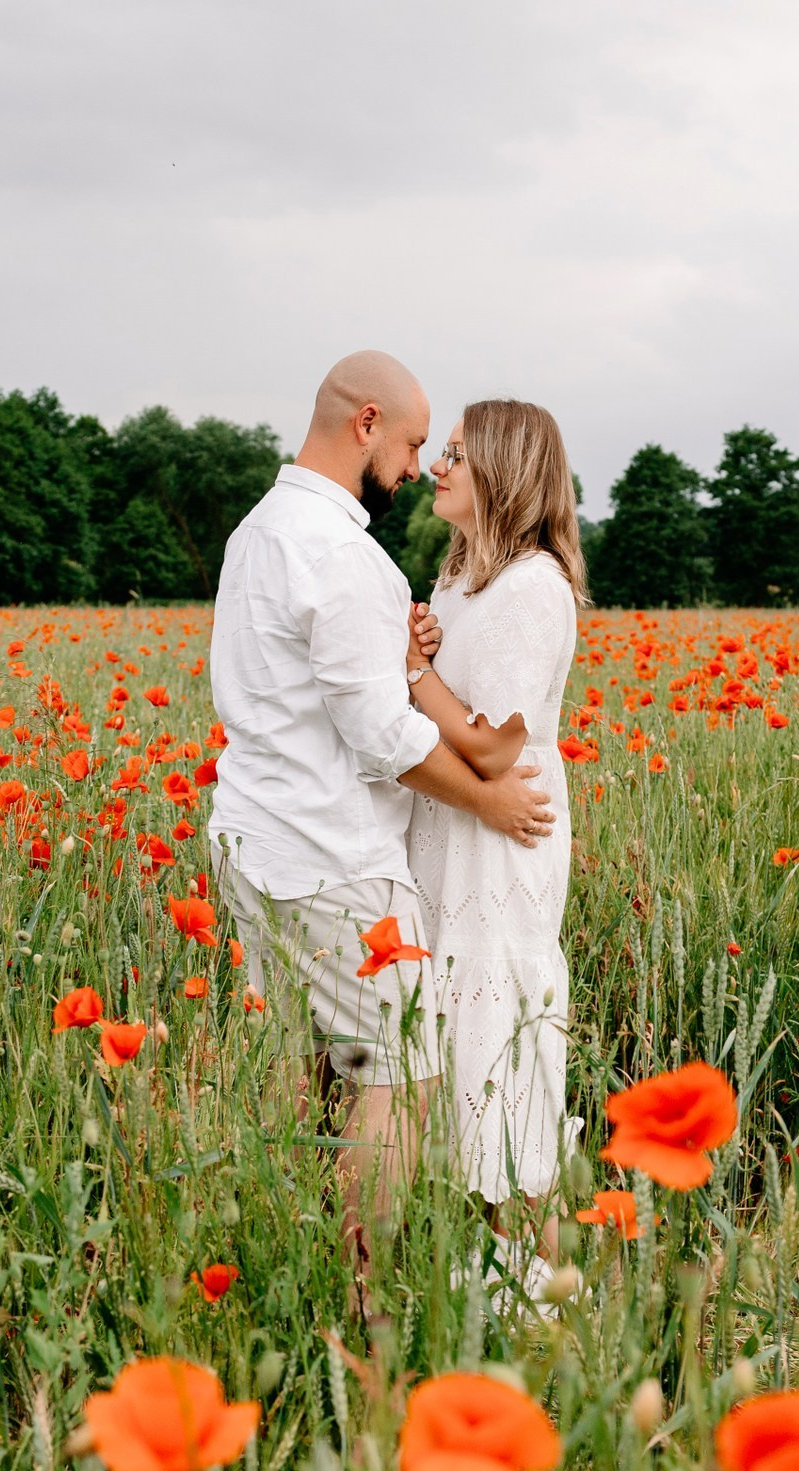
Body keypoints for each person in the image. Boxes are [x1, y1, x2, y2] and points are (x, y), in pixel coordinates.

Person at [205, 351, 554, 1263]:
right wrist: (487, 796)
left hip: (253, 839)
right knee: (397, 1077)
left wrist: (409, 656)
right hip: (337, 857)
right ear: (365, 423)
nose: (413, 466)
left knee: (315, 1069)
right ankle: (369, 1288)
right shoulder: (342, 553)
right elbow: (380, 733)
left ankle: (303, 1257)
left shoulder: (258, 531)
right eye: (406, 444)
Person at [402, 401, 585, 1252]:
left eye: (457, 454)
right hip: (452, 838)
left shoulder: (532, 587)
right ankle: (487, 1290)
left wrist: (410, 673)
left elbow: (493, 746)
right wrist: (429, 653)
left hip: (501, 841)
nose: (438, 466)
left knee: (500, 1072)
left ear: (506, 470)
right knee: (457, 1054)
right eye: (439, 452)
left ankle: (551, 1310)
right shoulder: (461, 579)